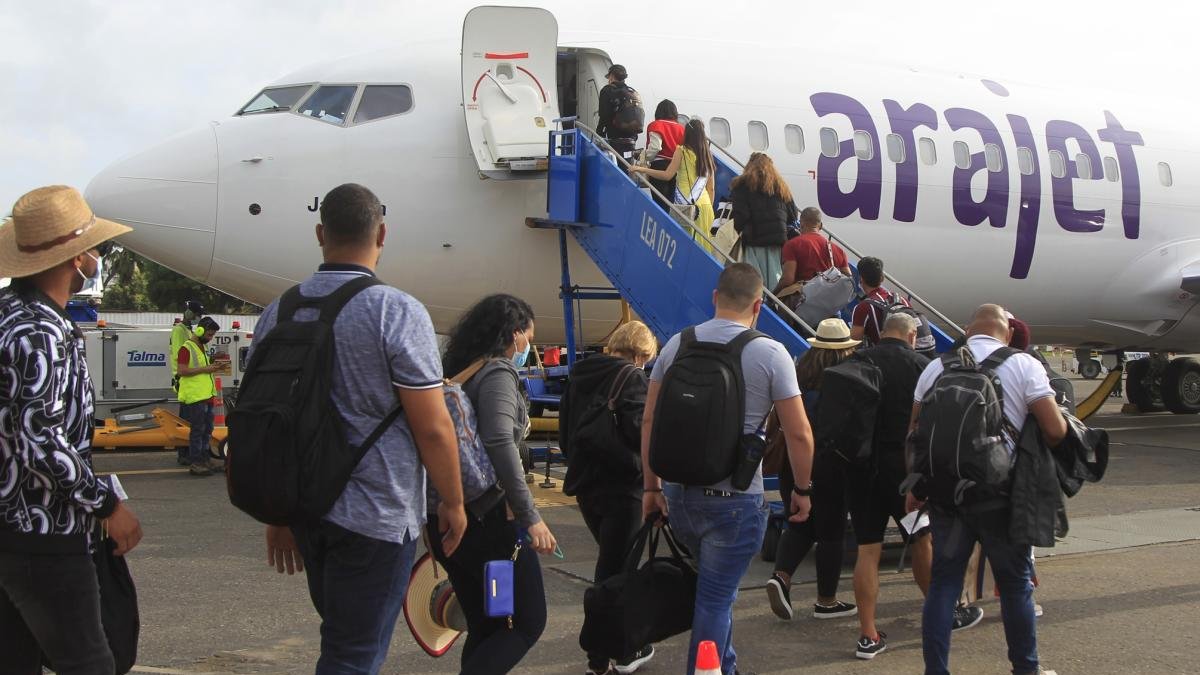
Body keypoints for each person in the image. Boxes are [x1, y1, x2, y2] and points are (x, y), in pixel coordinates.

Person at [254, 183, 468, 674]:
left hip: (308, 511)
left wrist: (278, 511)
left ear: (319, 233)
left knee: (344, 638)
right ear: (382, 233)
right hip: (377, 514)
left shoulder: (279, 311)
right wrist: (453, 503)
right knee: (353, 655)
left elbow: (269, 423)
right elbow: (433, 427)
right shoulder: (395, 311)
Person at [641, 263, 815, 675]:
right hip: (735, 502)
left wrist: (652, 488)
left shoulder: (675, 345)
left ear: (715, 298)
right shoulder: (771, 353)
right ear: (758, 305)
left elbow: (649, 421)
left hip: (681, 497)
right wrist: (803, 490)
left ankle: (725, 667)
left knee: (714, 593)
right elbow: (800, 434)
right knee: (716, 601)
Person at [0, 185, 144, 673]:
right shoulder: (40, 332)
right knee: (88, 662)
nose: (98, 257)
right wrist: (105, 504)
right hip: (42, 532)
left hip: (9, 527)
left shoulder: (9, 318)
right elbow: (42, 441)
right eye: (94, 248)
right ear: (76, 257)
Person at [909, 304, 1068, 675]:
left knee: (944, 584)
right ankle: (1025, 669)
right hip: (1001, 498)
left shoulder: (936, 367)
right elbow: (1056, 430)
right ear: (1008, 333)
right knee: (1015, 587)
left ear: (967, 330)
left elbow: (914, 433)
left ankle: (936, 671)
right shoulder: (1023, 365)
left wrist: (915, 485)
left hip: (947, 495)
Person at [435, 293, 556, 674]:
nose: (528, 348)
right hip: (489, 521)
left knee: (487, 625)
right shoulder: (498, 373)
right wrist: (530, 514)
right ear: (514, 335)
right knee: (526, 623)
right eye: (528, 339)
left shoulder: (461, 371)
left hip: (446, 516)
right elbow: (501, 441)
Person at [560, 321, 657, 675]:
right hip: (624, 487)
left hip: (587, 486)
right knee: (616, 572)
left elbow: (565, 433)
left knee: (611, 563)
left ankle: (609, 649)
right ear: (639, 353)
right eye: (646, 358)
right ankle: (610, 652)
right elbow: (641, 434)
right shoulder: (633, 378)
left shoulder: (579, 374)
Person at [845, 311, 933, 659]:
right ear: (912, 336)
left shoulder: (857, 360)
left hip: (861, 468)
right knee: (922, 540)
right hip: (904, 472)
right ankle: (939, 611)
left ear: (882, 333)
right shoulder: (920, 366)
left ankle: (868, 634)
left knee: (868, 550)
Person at [765, 318, 858, 623]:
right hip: (830, 465)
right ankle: (826, 601)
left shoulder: (797, 372)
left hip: (792, 462)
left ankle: (781, 576)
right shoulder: (844, 380)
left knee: (799, 523)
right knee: (830, 533)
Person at [630, 118, 716, 253]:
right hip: (705, 207)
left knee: (685, 250)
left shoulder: (681, 151)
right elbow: (711, 188)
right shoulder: (708, 155)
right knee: (705, 250)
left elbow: (667, 175)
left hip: (686, 207)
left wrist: (643, 169)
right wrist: (708, 208)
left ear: (686, 134)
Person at [730, 153, 797, 290]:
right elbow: (793, 215)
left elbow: (741, 216)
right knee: (773, 281)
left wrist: (738, 231)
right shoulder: (781, 187)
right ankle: (772, 307)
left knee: (752, 282)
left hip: (754, 241)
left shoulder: (742, 184)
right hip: (777, 244)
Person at [176, 315, 225, 476]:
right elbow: (182, 371)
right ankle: (196, 462)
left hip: (206, 396)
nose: (211, 338)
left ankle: (205, 459)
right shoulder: (187, 348)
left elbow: (199, 367)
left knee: (207, 430)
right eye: (209, 335)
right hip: (195, 397)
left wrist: (212, 361)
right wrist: (207, 369)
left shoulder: (200, 348)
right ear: (200, 330)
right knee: (198, 430)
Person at [774, 207, 851, 294]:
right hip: (829, 303)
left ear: (801, 224)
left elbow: (788, 279)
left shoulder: (792, 245)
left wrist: (772, 296)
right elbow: (848, 279)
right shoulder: (839, 250)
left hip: (802, 303)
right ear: (821, 225)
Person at [850, 256, 910, 346]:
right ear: (882, 278)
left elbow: (854, 341)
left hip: (879, 358)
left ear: (861, 279)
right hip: (907, 355)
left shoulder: (863, 308)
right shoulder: (903, 300)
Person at [640, 100, 685, 210]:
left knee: (659, 202)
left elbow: (655, 147)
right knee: (671, 202)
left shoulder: (656, 125)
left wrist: (646, 158)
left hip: (660, 166)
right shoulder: (682, 128)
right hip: (676, 168)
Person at [596, 64, 640, 158]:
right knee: (627, 166)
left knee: (614, 166)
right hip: (631, 139)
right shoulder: (631, 91)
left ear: (611, 76)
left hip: (615, 138)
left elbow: (604, 115)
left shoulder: (607, 90)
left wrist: (599, 133)